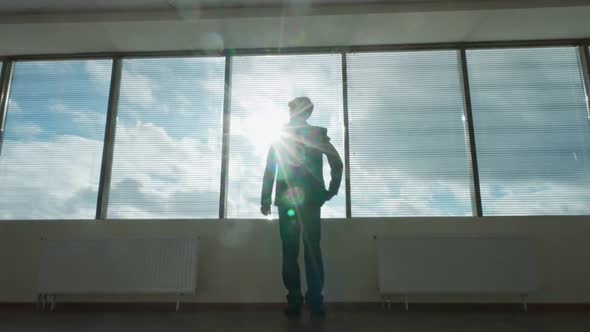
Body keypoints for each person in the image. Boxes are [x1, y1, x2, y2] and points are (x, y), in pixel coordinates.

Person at [260, 97, 343, 318]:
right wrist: (331, 190)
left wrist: (265, 199)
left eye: (293, 109)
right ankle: (314, 302)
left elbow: (270, 169)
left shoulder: (281, 135)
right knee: (311, 252)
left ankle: (297, 301)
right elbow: (337, 162)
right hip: (310, 201)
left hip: (289, 201)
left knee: (292, 252)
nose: (292, 113)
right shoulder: (314, 134)